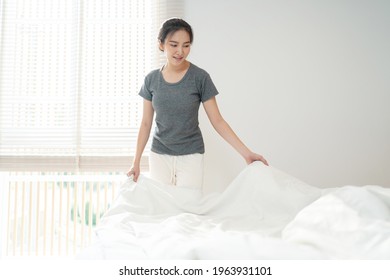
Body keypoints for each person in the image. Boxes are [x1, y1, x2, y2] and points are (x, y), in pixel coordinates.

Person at [127, 18, 268, 189]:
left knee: (189, 210)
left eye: (186, 45)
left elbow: (218, 121)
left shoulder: (200, 78)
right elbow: (145, 123)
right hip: (159, 155)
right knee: (163, 211)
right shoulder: (151, 80)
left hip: (191, 155)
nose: (180, 51)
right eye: (173, 45)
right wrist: (136, 162)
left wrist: (246, 153)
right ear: (161, 44)